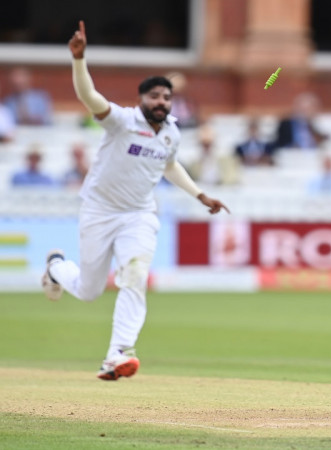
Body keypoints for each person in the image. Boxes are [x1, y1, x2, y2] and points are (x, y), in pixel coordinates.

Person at [41, 21, 229, 382]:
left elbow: (170, 166)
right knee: (90, 290)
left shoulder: (172, 132)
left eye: (166, 97)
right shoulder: (122, 121)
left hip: (139, 215)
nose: (161, 102)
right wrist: (79, 60)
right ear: (142, 99)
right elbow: (89, 97)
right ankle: (55, 268)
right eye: (155, 96)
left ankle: (118, 353)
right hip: (98, 211)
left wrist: (200, 194)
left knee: (135, 276)